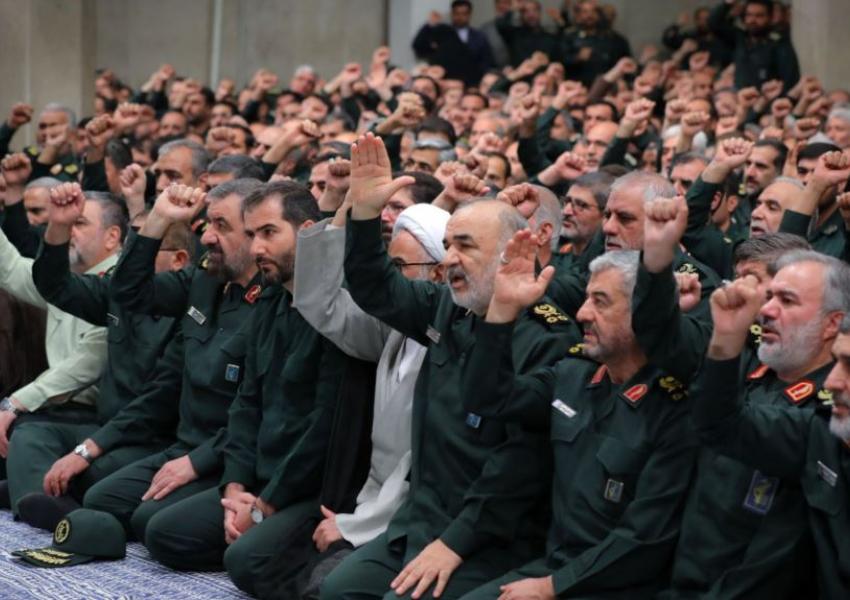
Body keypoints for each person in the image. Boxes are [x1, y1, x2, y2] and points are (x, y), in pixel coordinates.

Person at [320, 133, 580, 599]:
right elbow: (374, 286)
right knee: (337, 591)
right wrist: (362, 214)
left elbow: (520, 466)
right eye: (446, 245)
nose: (450, 259)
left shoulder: (550, 336)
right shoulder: (448, 307)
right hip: (420, 520)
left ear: (510, 252)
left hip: (489, 537)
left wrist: (455, 543)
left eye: (464, 245)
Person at [139, 182, 345, 596]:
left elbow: (321, 430)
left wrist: (264, 507)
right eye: (251, 236)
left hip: (309, 488)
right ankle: (254, 531)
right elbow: (247, 404)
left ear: (308, 231)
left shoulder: (336, 315)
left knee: (245, 561)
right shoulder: (271, 301)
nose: (256, 249)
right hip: (257, 479)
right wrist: (235, 488)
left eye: (269, 233)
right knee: (157, 528)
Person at [459, 245, 697, 598]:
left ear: (644, 311)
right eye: (585, 299)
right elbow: (489, 398)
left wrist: (553, 586)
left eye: (600, 302)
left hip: (621, 585)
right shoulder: (573, 376)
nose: (583, 313)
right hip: (556, 566)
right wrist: (502, 311)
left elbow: (644, 540)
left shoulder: (675, 406)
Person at [82, 179, 262, 543]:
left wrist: (197, 464)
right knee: (100, 497)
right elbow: (127, 293)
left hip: (231, 456)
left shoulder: (272, 303)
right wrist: (158, 220)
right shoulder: (204, 281)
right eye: (207, 224)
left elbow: (258, 411)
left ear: (256, 234)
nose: (208, 237)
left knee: (156, 525)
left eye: (222, 226)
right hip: (184, 445)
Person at [8, 185, 192, 531]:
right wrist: (59, 227)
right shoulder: (120, 293)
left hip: (149, 438)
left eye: (144, 249)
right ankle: (49, 503)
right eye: (131, 248)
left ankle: (43, 496)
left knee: (95, 474)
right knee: (30, 436)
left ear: (178, 260)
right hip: (104, 425)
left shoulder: (187, 308)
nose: (129, 259)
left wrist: (87, 451)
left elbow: (156, 403)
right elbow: (55, 286)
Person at [690, 251, 850, 598]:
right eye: (770, 296)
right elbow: (719, 423)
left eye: (787, 300)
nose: (766, 309)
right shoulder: (819, 430)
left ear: (831, 324)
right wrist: (727, 337)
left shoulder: (824, 417)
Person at [0, 190, 125, 507]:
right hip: (59, 407)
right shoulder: (68, 279)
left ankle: (47, 511)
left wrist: (15, 402)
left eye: (79, 222)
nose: (69, 230)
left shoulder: (123, 282)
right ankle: (24, 490)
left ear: (112, 237)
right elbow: (12, 270)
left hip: (105, 417)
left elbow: (90, 361)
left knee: (27, 430)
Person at [709, 0, 800, 90]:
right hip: (739, 98)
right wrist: (728, 3)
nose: (752, 20)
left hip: (766, 99)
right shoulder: (740, 38)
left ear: (770, 18)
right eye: (749, 15)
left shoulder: (779, 44)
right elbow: (714, 23)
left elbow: (790, 79)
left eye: (759, 16)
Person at [412, 1, 494, 87]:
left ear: (469, 14)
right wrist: (429, 25)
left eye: (464, 13)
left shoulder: (478, 37)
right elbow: (419, 46)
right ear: (452, 13)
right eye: (457, 13)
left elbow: (485, 61)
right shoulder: (442, 31)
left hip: (470, 83)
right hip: (442, 82)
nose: (460, 17)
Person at [561, 0, 632, 87]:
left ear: (599, 15)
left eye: (593, 11)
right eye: (585, 11)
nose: (589, 15)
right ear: (578, 15)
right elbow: (560, 61)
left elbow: (622, 63)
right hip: (577, 87)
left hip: (605, 88)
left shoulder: (611, 39)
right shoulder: (569, 37)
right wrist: (577, 58)